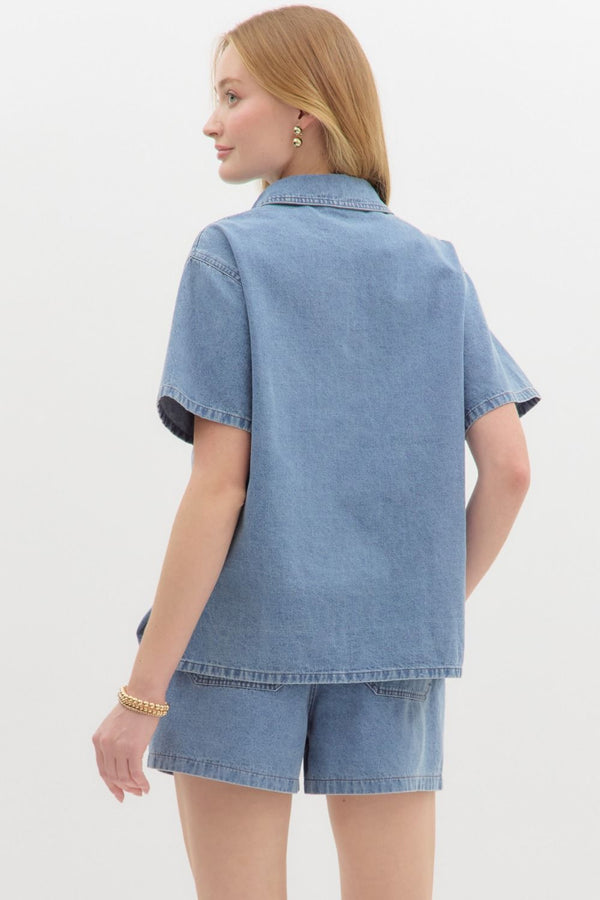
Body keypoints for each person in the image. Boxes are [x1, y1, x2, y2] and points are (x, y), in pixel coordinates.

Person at [92, 6, 542, 899]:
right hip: (392, 655)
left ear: (306, 111)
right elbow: (511, 468)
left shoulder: (232, 255)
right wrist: (413, 607)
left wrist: (140, 696)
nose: (212, 121)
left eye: (232, 96)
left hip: (240, 642)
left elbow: (218, 489)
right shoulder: (434, 266)